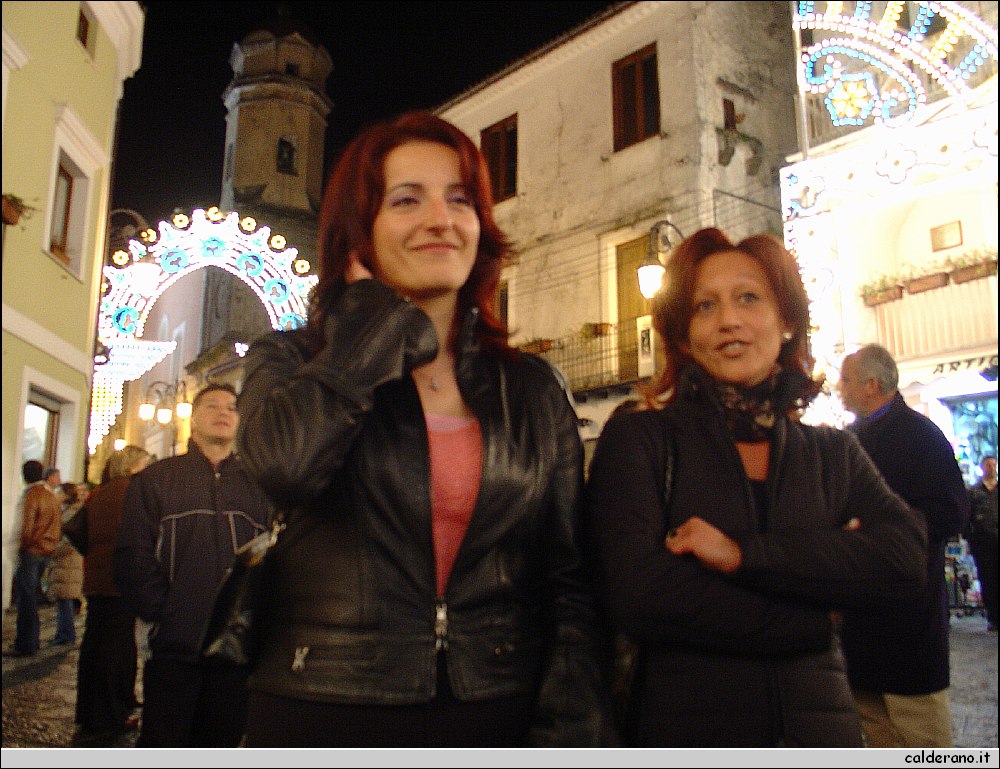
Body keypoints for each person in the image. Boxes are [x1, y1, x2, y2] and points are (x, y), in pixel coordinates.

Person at [235, 110, 611, 747]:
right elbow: (285, 467)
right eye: (407, 199)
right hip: (323, 703)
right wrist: (368, 333)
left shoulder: (531, 389)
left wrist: (574, 730)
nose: (441, 219)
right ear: (359, 230)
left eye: (459, 199)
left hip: (493, 708)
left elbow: (568, 581)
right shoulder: (291, 361)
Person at [585, 227, 928, 747]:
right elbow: (639, 593)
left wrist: (741, 555)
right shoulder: (642, 441)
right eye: (704, 306)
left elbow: (905, 557)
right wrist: (811, 621)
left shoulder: (832, 452)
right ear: (684, 336)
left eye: (749, 298)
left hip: (822, 733)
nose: (729, 320)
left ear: (786, 321)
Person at [114, 384, 272, 747]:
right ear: (193, 418)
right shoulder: (157, 479)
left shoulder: (257, 485)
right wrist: (164, 613)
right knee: (165, 740)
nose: (224, 412)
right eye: (212, 405)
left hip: (234, 649)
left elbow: (270, 556)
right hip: (175, 646)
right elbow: (132, 553)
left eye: (232, 407)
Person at [837, 343, 971, 747]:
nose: (840, 389)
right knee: (877, 731)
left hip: (907, 614)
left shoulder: (921, 436)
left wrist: (879, 530)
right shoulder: (849, 439)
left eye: (846, 380)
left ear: (871, 385)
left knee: (922, 736)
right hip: (859, 616)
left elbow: (950, 513)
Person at [73, 445, 151, 747]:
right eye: (145, 464)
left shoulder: (100, 494)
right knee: (116, 650)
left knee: (94, 645)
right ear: (132, 467)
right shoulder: (133, 493)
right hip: (121, 581)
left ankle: (88, 712)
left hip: (96, 580)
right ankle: (110, 715)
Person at [4, 460, 62, 657]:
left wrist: (22, 546)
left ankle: (26, 643)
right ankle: (30, 640)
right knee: (31, 597)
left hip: (32, 551)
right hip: (46, 550)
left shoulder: (32, 495)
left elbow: (27, 528)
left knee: (26, 599)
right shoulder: (51, 496)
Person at [49, 482, 86, 646]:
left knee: (65, 599)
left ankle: (66, 634)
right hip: (66, 562)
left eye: (59, 492)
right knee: (64, 599)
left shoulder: (71, 512)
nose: (56, 495)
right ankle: (63, 633)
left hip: (67, 562)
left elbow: (68, 540)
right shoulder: (69, 510)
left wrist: (53, 550)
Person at [968, 455, 998, 631]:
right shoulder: (974, 492)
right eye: (988, 465)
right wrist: (971, 539)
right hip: (983, 543)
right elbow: (967, 518)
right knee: (988, 578)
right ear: (982, 467)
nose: (991, 468)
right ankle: (993, 617)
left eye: (994, 465)